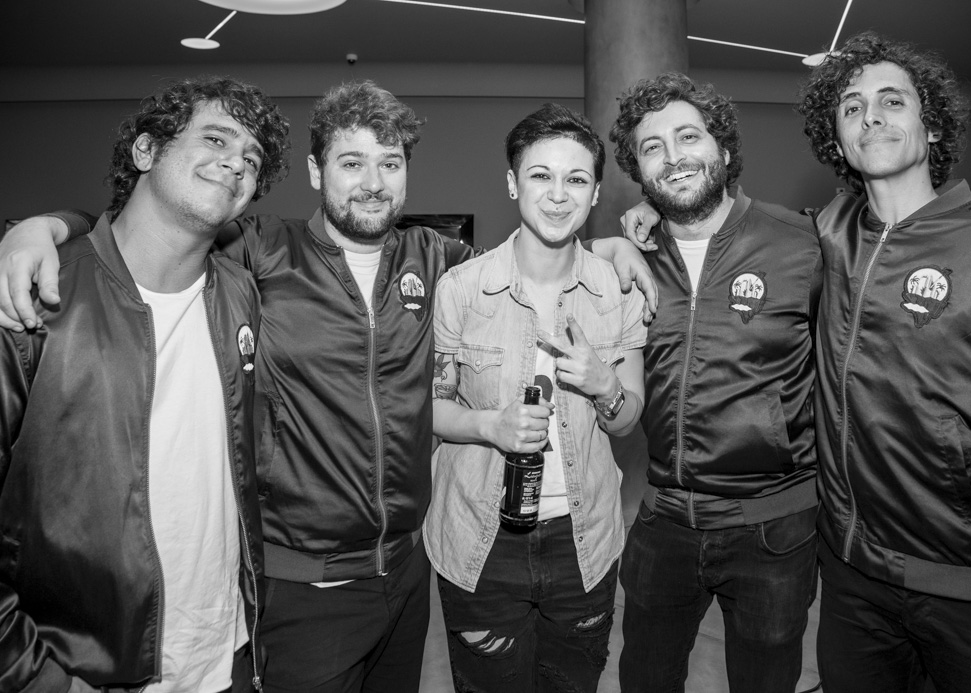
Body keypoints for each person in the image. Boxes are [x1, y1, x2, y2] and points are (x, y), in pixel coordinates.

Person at [0, 80, 656, 693]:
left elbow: (531, 256)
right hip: (301, 589)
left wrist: (611, 247)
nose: (373, 183)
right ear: (316, 172)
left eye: (390, 163)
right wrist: (46, 226)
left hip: (405, 575)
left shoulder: (435, 260)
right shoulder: (259, 252)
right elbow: (158, 229)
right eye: (351, 163)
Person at [0, 76, 290, 691]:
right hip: (88, 668)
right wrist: (40, 679)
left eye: (251, 157)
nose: (236, 163)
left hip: (227, 653)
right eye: (215, 139)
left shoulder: (239, 294)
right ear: (145, 150)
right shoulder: (35, 299)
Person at [796, 31, 971, 693]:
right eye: (852, 106)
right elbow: (731, 231)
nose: (870, 116)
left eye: (892, 101)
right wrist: (642, 225)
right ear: (838, 139)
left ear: (931, 126)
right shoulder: (825, 238)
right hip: (851, 579)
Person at [602, 72, 822, 693]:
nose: (673, 157)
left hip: (774, 526)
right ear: (639, 171)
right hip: (662, 519)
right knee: (644, 679)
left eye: (688, 137)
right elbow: (545, 258)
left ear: (722, 148)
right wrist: (606, 244)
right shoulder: (631, 259)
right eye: (652, 147)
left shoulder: (802, 244)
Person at [425, 103, 646, 692]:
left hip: (583, 541)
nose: (557, 194)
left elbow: (627, 421)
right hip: (480, 540)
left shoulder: (616, 291)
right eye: (540, 175)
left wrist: (604, 386)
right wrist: (490, 426)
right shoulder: (462, 290)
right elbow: (434, 408)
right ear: (512, 183)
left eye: (576, 179)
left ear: (595, 192)